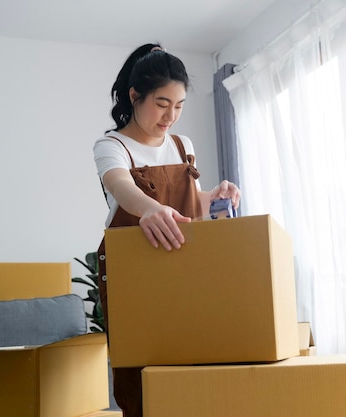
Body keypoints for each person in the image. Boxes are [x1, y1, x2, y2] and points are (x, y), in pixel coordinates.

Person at [93, 43, 241, 417]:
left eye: (178, 106)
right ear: (134, 95)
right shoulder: (112, 146)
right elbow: (123, 190)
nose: (170, 116)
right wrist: (150, 209)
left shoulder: (182, 145)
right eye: (162, 104)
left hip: (185, 271)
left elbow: (187, 206)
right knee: (140, 379)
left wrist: (215, 195)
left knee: (196, 375)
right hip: (135, 277)